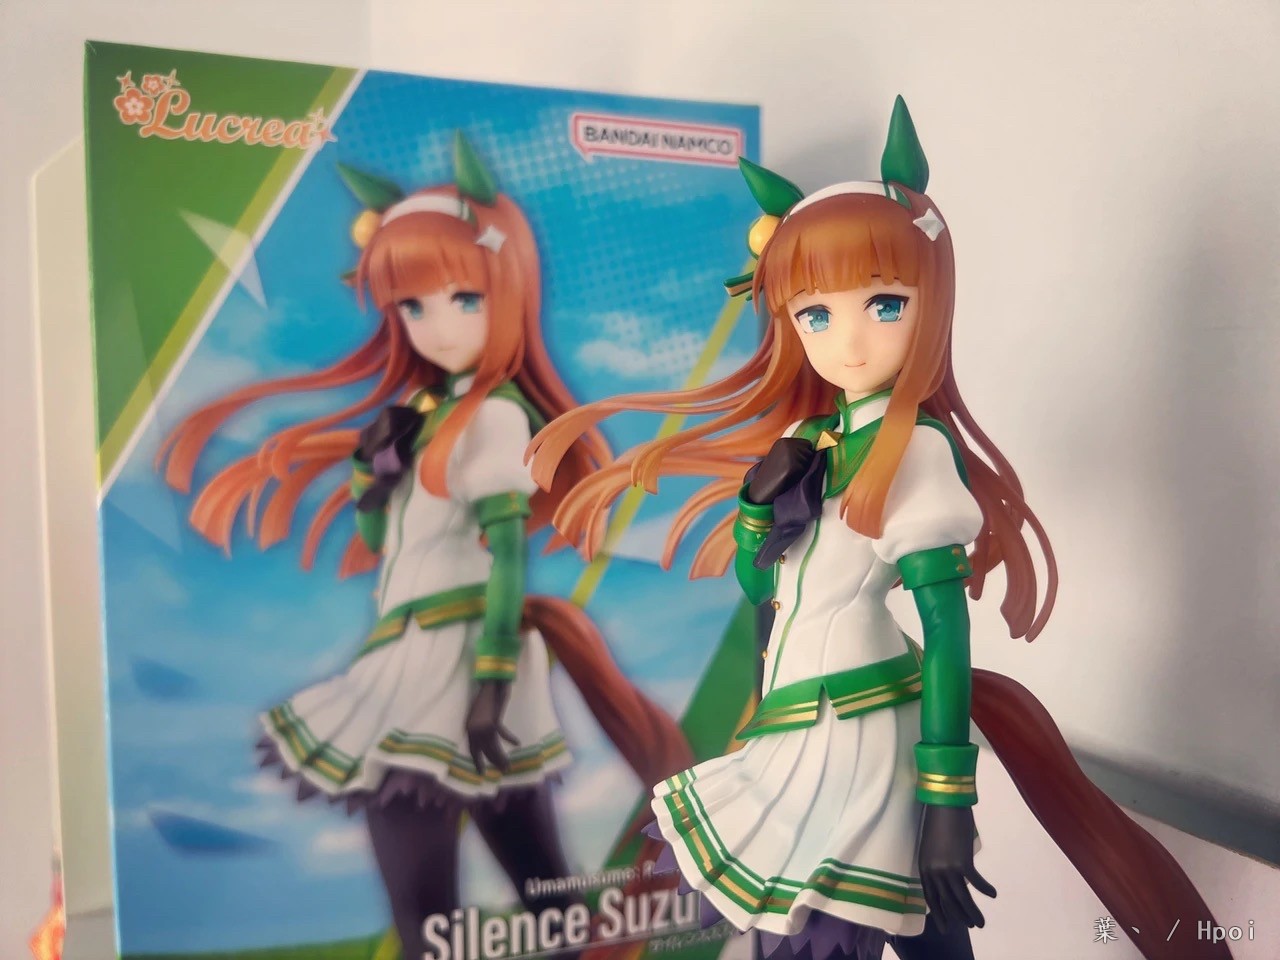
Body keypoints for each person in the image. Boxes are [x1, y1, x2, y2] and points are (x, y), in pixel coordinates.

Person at [528, 99, 1231, 960]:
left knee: (824, 937)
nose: (848, 342)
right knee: (910, 939)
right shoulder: (809, 440)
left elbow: (946, 628)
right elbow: (766, 590)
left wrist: (947, 798)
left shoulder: (916, 451)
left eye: (884, 304)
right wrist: (754, 512)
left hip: (862, 732)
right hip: (795, 727)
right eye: (816, 316)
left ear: (930, 302)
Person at [158, 132, 692, 959]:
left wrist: (491, 680)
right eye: (414, 307)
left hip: (465, 654)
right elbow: (385, 542)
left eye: (463, 300)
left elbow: (507, 554)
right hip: (405, 651)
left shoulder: (497, 414)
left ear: (504, 293)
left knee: (514, 894)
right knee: (513, 895)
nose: (438, 327)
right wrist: (373, 478)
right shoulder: (424, 416)